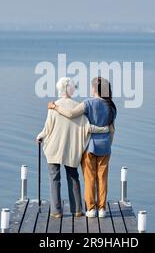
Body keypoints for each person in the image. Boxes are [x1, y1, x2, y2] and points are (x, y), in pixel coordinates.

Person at [36, 77, 109, 218]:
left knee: (54, 178)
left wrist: (39, 136)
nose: (75, 88)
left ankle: (56, 211)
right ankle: (76, 210)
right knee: (73, 177)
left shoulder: (53, 106)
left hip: (54, 148)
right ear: (68, 89)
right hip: (71, 149)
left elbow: (47, 129)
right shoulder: (78, 106)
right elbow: (88, 128)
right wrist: (104, 129)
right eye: (74, 86)